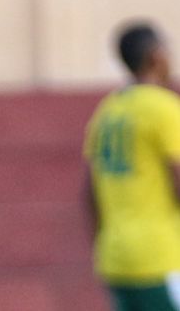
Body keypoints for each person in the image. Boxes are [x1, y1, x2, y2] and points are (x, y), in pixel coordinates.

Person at [84, 22, 180, 311]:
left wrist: (104, 247)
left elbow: (88, 193)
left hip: (116, 258)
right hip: (160, 257)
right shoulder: (162, 107)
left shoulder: (107, 111)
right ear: (156, 56)